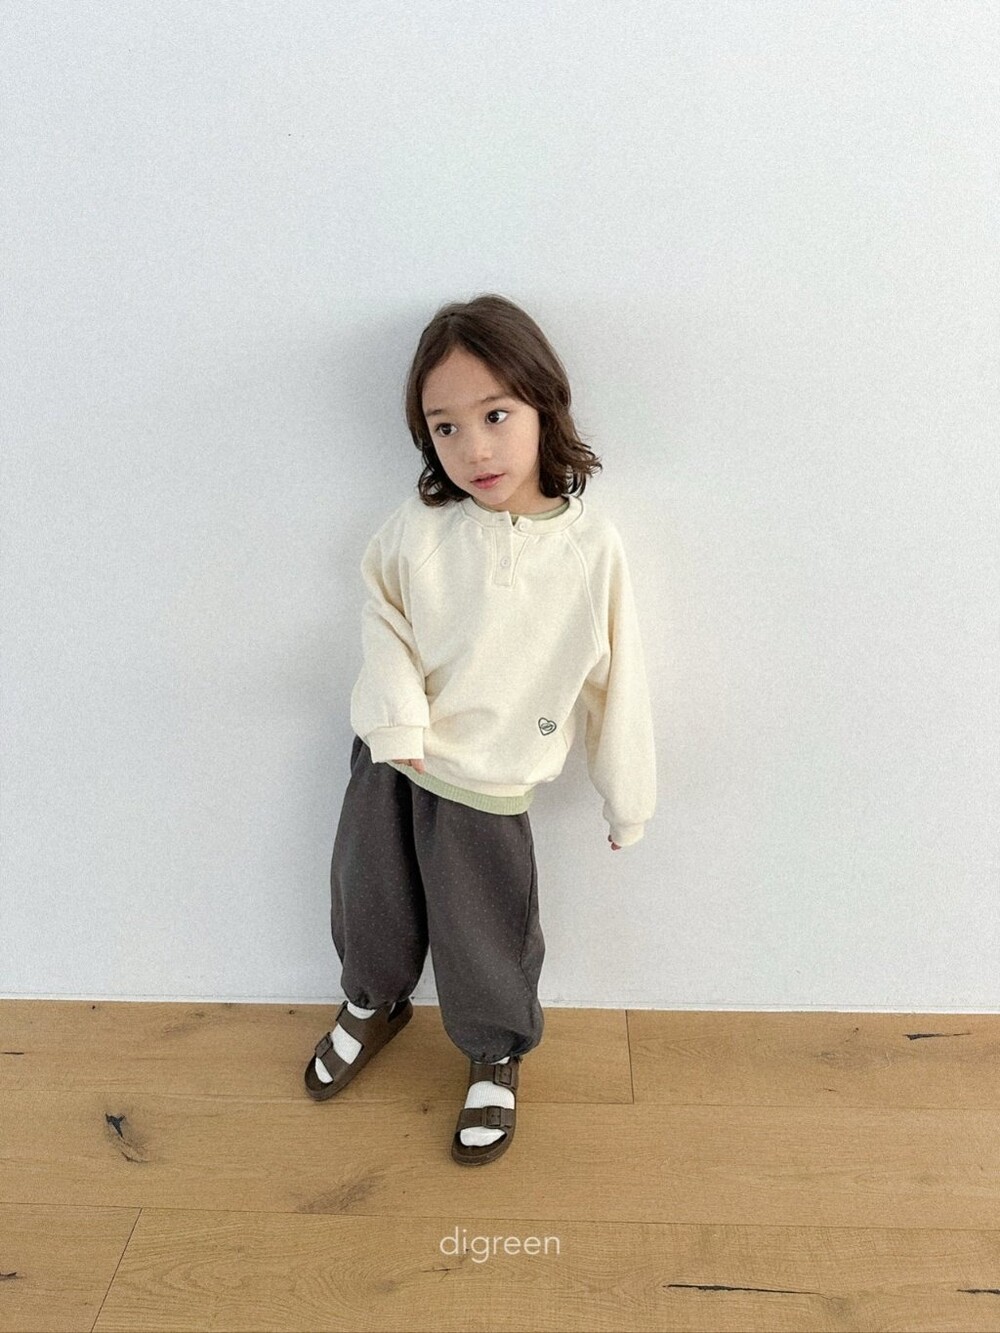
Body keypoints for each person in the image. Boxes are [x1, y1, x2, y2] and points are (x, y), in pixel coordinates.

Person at [304, 293, 656, 1165]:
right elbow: (381, 613)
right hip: (390, 758)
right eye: (446, 428)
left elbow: (620, 679)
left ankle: (494, 1050)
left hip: (490, 779)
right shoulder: (420, 526)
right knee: (369, 895)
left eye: (496, 415)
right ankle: (372, 1000)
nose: (475, 449)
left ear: (544, 404)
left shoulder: (590, 551)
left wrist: (627, 797)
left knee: (485, 931)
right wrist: (396, 719)